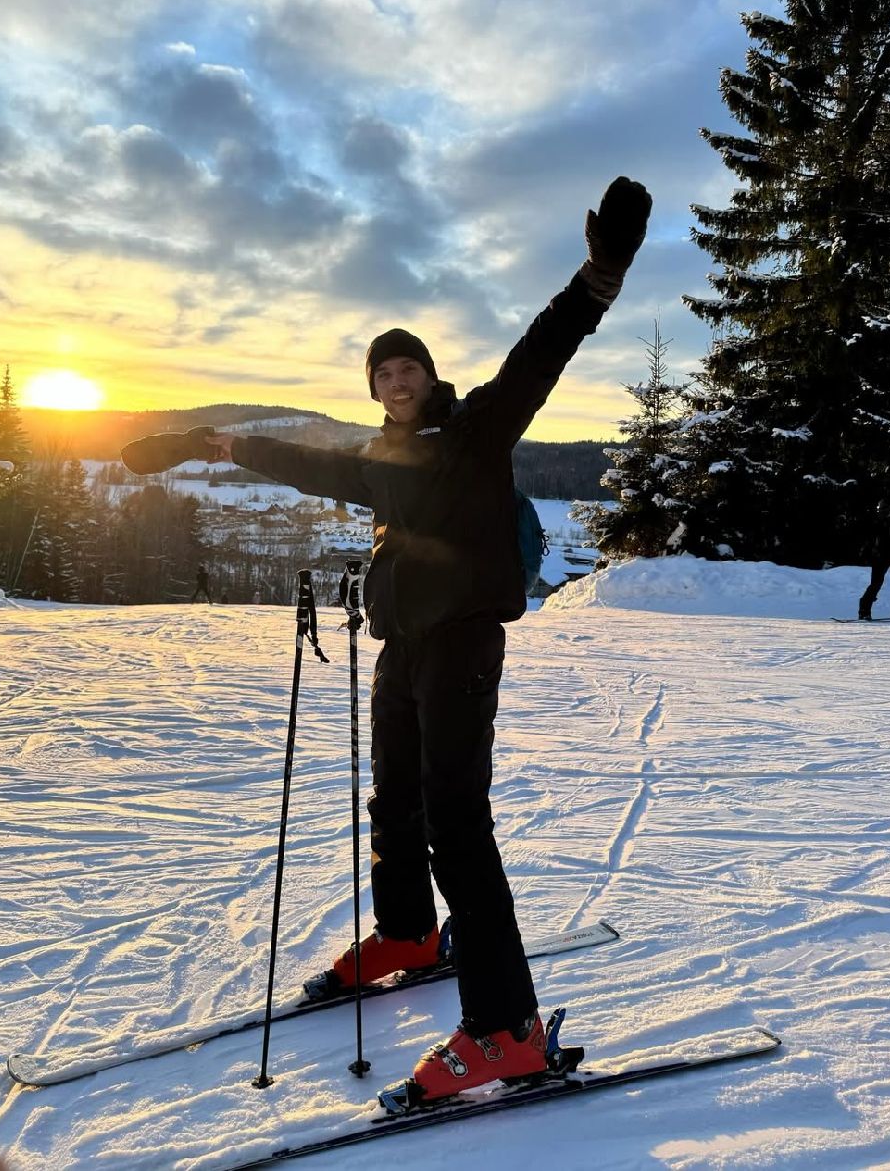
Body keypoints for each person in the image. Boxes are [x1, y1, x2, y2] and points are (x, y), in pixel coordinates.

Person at [144, 176, 650, 1099]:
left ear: (429, 375)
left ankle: (507, 1028)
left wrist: (599, 276)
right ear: (373, 390)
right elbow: (310, 463)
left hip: (460, 645)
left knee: (459, 827)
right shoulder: (381, 464)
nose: (397, 378)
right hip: (403, 649)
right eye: (382, 372)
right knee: (395, 804)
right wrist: (213, 446)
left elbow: (541, 356)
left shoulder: (475, 434)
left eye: (407, 364)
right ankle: (411, 932)